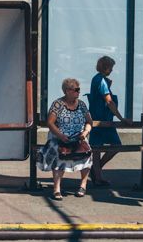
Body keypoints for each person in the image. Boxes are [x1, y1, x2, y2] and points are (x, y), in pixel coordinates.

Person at [36, 78, 94, 201]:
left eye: (79, 89)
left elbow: (89, 122)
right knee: (58, 155)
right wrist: (61, 135)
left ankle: (83, 185)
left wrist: (85, 132)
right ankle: (56, 189)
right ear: (67, 91)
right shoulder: (58, 104)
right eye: (76, 90)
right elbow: (50, 123)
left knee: (87, 154)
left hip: (78, 137)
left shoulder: (82, 105)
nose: (79, 92)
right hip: (60, 137)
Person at [87, 56, 127, 186]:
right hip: (102, 121)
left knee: (97, 149)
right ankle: (97, 175)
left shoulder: (98, 79)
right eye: (111, 67)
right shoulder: (101, 81)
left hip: (97, 119)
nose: (112, 70)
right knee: (115, 146)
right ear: (106, 67)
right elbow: (109, 101)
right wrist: (121, 118)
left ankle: (97, 172)